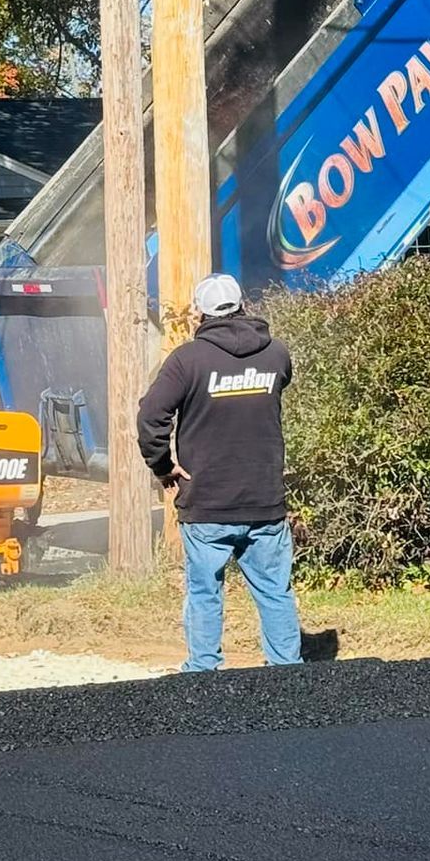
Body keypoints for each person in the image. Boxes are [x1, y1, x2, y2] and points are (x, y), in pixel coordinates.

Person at [137, 273, 299, 672]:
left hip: (206, 500)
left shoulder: (187, 360)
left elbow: (149, 417)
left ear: (199, 312)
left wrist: (163, 466)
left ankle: (203, 676)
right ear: (244, 304)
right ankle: (289, 677)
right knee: (276, 592)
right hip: (265, 500)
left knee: (204, 592)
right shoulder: (276, 354)